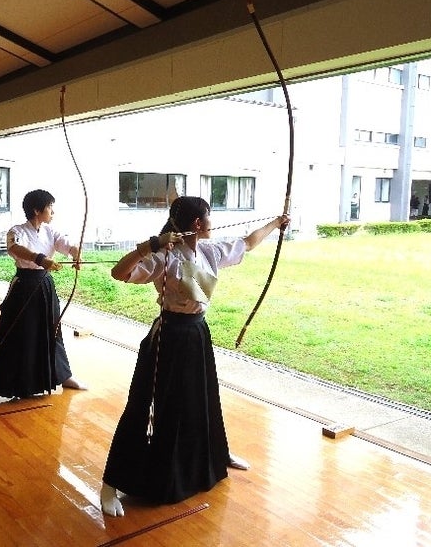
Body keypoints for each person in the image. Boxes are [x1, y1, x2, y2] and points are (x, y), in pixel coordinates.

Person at [100, 196, 289, 517]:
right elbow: (119, 272)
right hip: (168, 336)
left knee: (203, 398)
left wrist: (276, 223)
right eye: (209, 217)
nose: (212, 222)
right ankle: (111, 484)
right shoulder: (165, 255)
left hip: (197, 332)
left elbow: (248, 242)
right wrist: (151, 245)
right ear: (198, 223)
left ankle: (216, 454)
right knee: (146, 405)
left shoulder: (210, 251)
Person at [0, 189, 86, 411]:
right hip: (24, 286)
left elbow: (66, 244)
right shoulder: (16, 231)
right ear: (37, 210)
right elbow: (15, 248)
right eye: (50, 207)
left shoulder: (50, 230)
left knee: (53, 331)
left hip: (45, 286)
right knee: (10, 335)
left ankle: (63, 375)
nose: (53, 212)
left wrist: (76, 254)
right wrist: (40, 259)